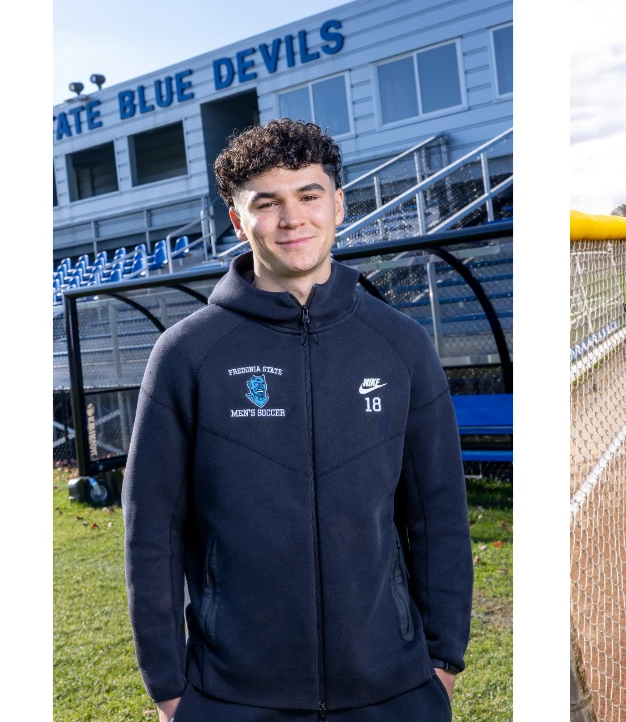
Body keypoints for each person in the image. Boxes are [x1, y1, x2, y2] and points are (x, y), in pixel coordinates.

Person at [122, 119, 472, 722]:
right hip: (232, 695)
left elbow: (437, 510)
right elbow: (152, 529)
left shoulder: (400, 344)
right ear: (238, 220)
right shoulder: (187, 353)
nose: (292, 219)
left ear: (337, 203)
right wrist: (169, 686)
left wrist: (441, 658)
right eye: (267, 202)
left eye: (309, 195)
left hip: (393, 688)